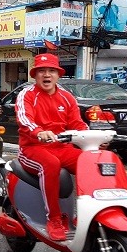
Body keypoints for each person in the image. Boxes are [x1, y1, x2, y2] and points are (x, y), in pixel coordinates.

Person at [15, 54, 88, 241]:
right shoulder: (27, 94)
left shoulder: (67, 97)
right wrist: (39, 131)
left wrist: (91, 137)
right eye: (42, 71)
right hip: (32, 148)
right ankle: (54, 219)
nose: (46, 75)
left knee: (90, 162)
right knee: (51, 164)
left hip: (61, 147)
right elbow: (25, 120)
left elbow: (78, 124)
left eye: (51, 71)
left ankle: (87, 214)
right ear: (35, 74)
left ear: (58, 75)